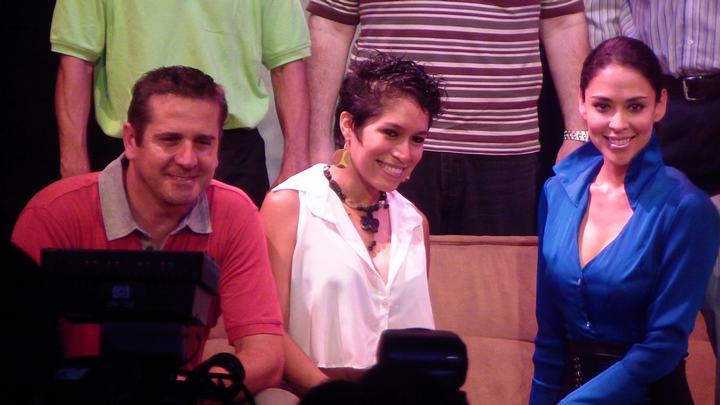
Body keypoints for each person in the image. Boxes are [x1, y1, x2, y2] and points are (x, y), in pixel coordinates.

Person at [11, 66, 291, 403]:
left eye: (203, 142)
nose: (187, 159)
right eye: (170, 140)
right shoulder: (53, 213)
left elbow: (266, 355)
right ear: (131, 140)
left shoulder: (235, 212)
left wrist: (186, 392)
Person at [530, 37, 720, 404]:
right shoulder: (557, 192)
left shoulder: (687, 209)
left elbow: (663, 345)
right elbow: (550, 337)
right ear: (581, 103)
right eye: (603, 106)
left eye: (635, 106)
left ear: (660, 105)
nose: (618, 123)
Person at [305, 0, 590, 236]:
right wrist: (316, 139)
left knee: (494, 280)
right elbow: (331, 25)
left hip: (504, 149)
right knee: (373, 271)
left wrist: (577, 133)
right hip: (384, 145)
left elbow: (563, 22)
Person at [260, 53, 442, 394]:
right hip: (312, 393)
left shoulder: (415, 222)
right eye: (391, 132)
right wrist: (334, 395)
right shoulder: (291, 204)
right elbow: (268, 330)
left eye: (417, 139)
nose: (404, 154)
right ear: (348, 125)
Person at [583, 2, 720, 401]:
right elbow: (605, 8)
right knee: (630, 300)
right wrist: (625, 67)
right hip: (653, 105)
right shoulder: (564, 190)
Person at [50, 0, 310, 207]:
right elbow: (76, 56)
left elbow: (286, 59)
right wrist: (74, 167)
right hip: (132, 149)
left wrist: (296, 164)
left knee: (233, 257)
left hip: (230, 150)